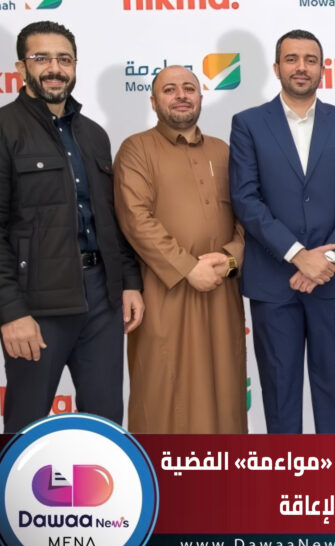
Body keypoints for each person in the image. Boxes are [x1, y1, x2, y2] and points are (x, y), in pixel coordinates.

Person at [0, 20, 144, 435]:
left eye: (64, 59)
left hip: (102, 300)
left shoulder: (93, 135)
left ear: (75, 66)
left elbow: (111, 219)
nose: (54, 69)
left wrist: (129, 282)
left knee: (106, 422)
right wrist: (11, 312)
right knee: (26, 424)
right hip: (36, 305)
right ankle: (15, 482)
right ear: (21, 67)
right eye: (41, 58)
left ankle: (98, 482)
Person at [229, 30, 335, 434]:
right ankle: (286, 474)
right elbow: (246, 199)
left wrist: (327, 260)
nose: (301, 67)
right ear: (276, 68)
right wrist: (297, 255)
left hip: (333, 280)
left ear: (323, 69)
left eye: (310, 59)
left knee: (334, 395)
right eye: (291, 59)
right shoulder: (248, 124)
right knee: (280, 397)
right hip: (273, 281)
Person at [114, 65, 247, 434]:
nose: (181, 96)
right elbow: (135, 218)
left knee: (225, 391)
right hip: (164, 291)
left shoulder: (223, 150)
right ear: (153, 101)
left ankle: (224, 470)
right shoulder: (136, 149)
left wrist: (231, 259)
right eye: (170, 89)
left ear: (201, 97)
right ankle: (163, 470)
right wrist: (188, 268)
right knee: (163, 392)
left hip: (221, 291)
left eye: (189, 88)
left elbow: (247, 217)